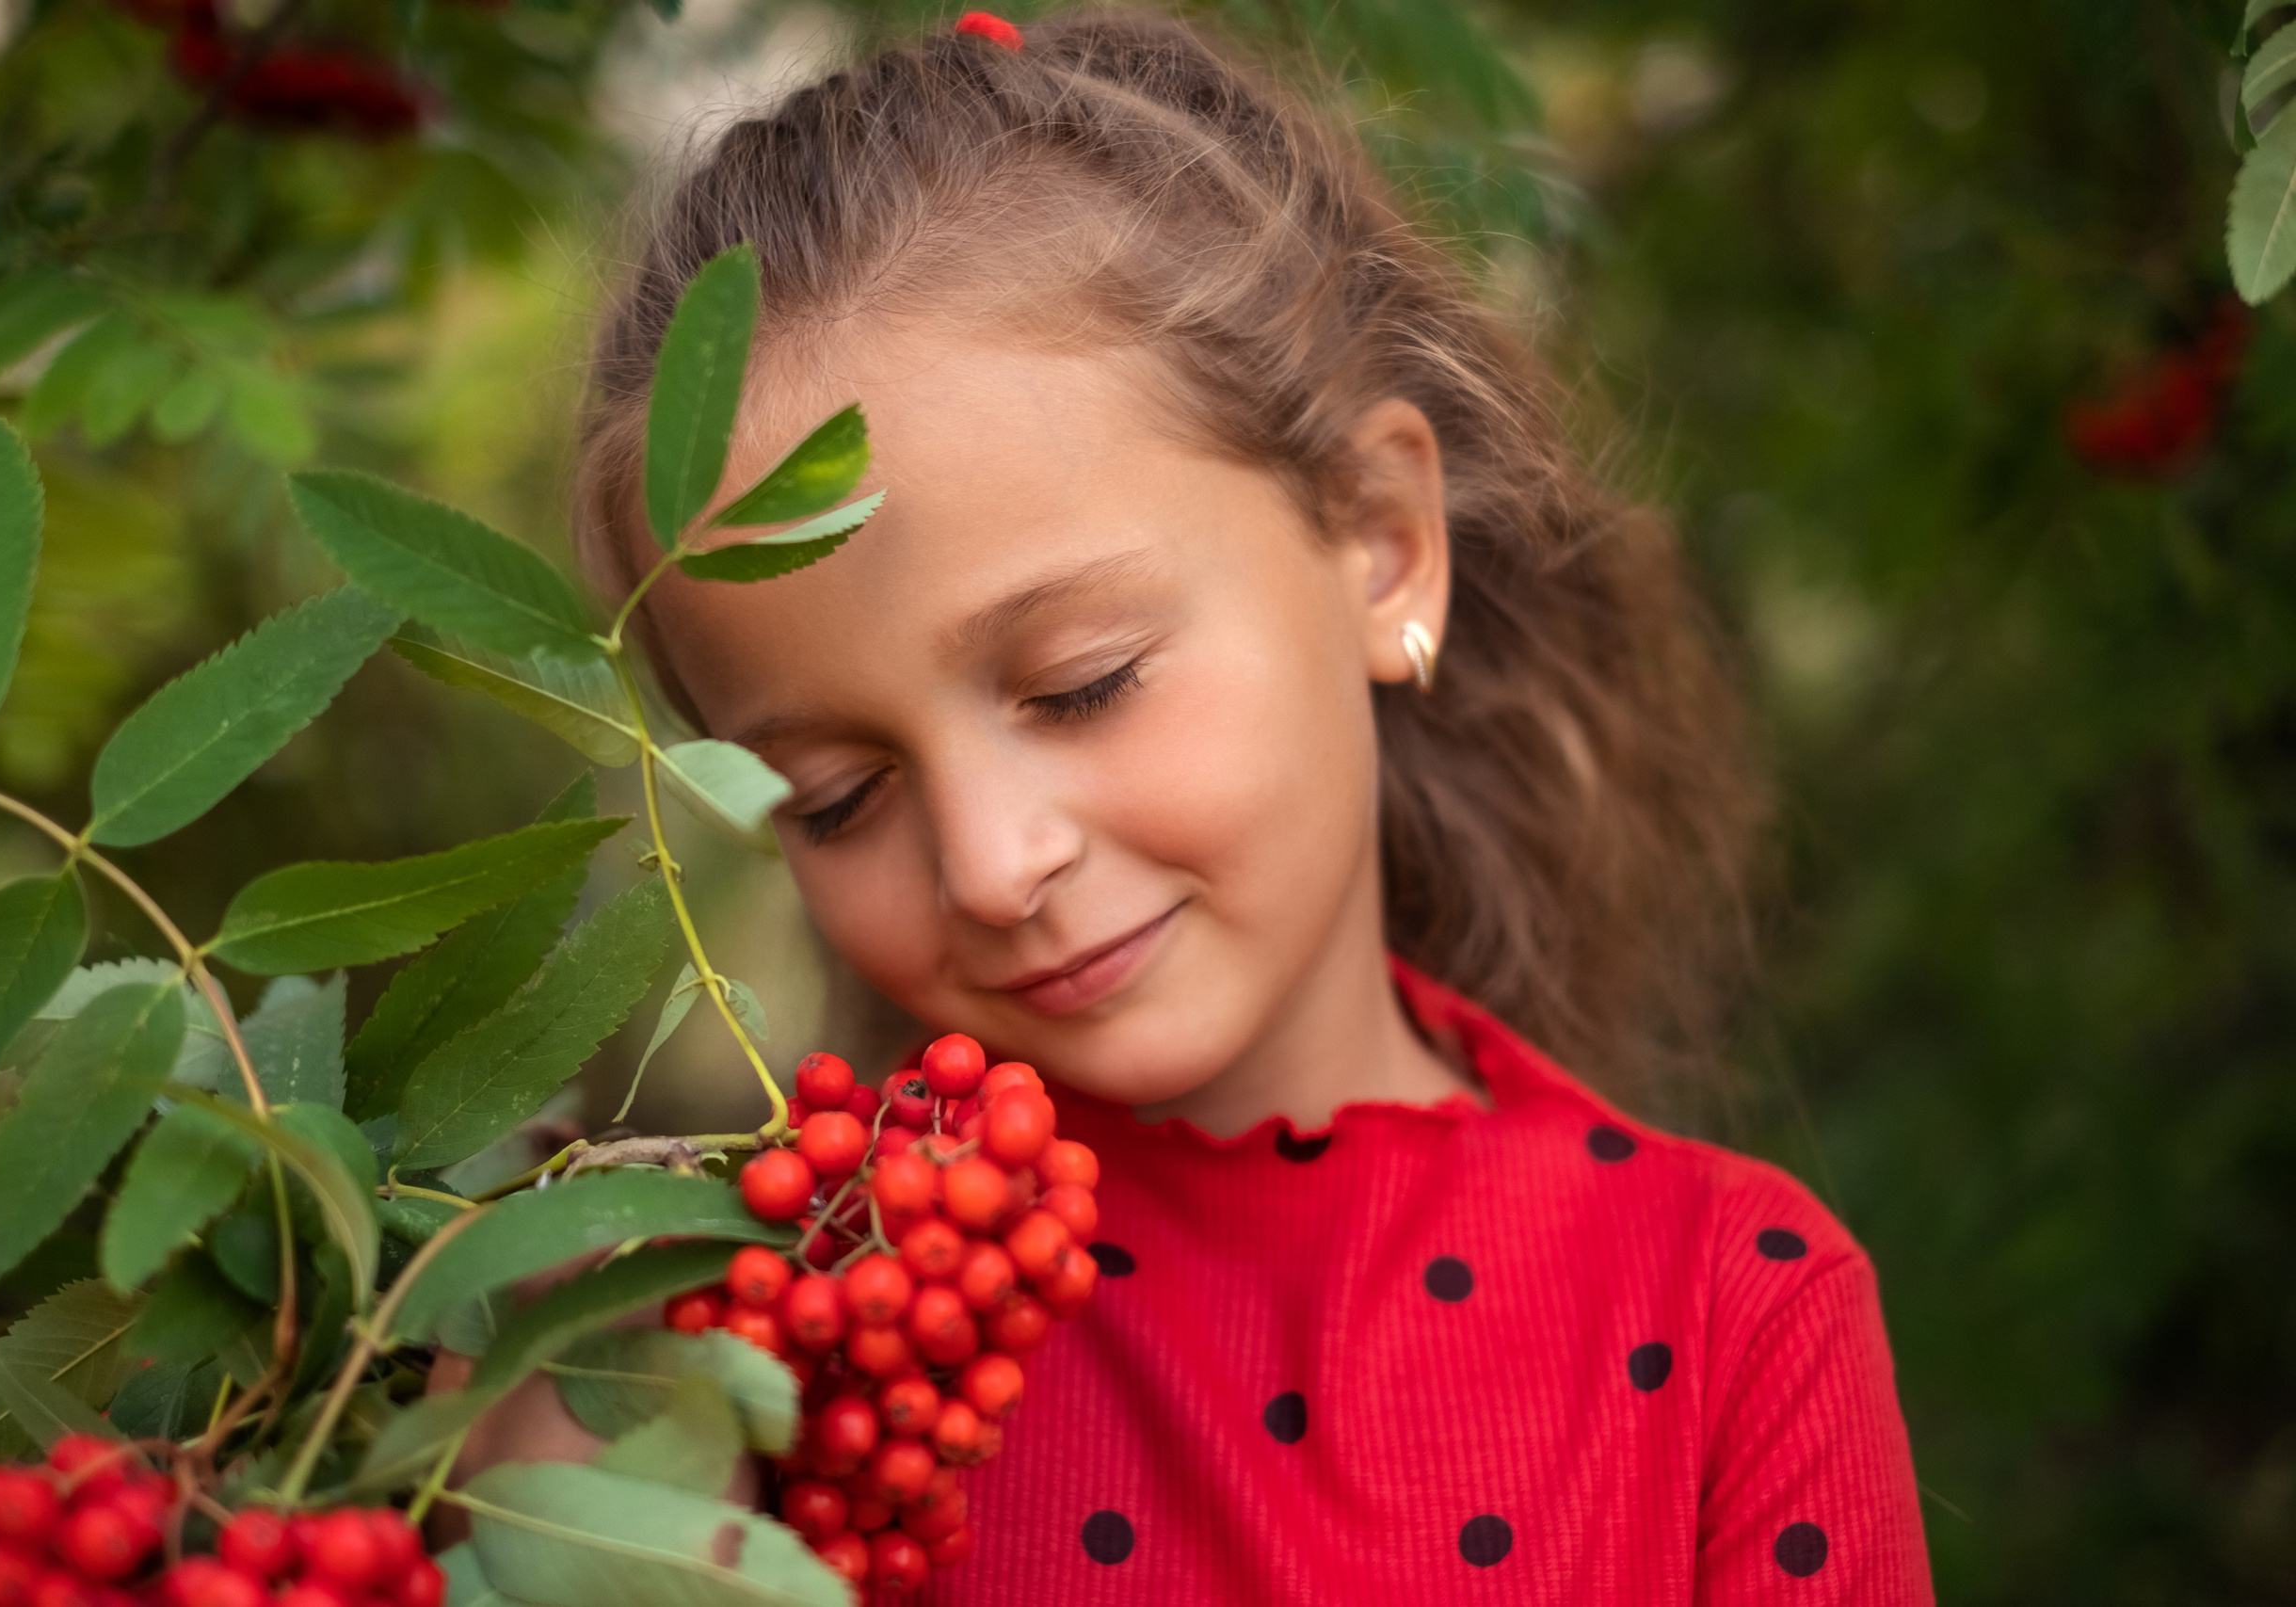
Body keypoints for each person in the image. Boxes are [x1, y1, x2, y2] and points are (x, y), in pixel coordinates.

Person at [554, 9, 1935, 1602]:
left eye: (1083, 684)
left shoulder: (1729, 1313)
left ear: (1379, 542)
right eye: (841, 797)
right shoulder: (779, 1351)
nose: (996, 866)